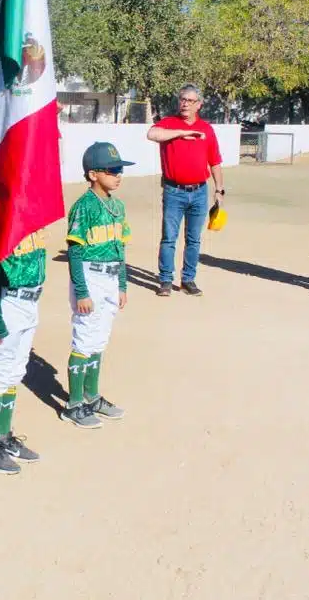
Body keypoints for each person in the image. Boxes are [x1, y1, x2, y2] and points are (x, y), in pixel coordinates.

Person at [63, 142, 133, 429]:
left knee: (100, 339)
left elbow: (121, 249)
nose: (118, 175)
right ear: (93, 174)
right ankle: (74, 404)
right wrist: (81, 291)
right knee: (84, 338)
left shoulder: (117, 206)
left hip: (110, 276)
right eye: (112, 170)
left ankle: (92, 396)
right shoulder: (83, 207)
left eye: (120, 170)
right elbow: (75, 252)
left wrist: (123, 284)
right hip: (90, 277)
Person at [0, 204, 46, 473]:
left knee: (15, 371)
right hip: (5, 300)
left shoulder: (35, 212)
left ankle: (3, 436)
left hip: (28, 303)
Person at [146, 84, 224, 297]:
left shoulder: (207, 129)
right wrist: (181, 133)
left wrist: (219, 190)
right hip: (174, 191)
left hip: (199, 191)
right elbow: (151, 134)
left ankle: (188, 279)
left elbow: (215, 162)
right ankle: (165, 280)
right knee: (169, 237)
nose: (185, 104)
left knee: (194, 239)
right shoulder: (169, 124)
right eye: (182, 99)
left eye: (190, 100)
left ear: (199, 104)